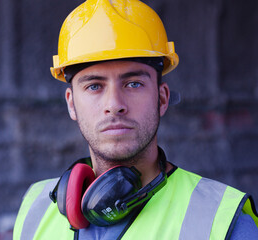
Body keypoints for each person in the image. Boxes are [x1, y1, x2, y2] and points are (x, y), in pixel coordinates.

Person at [13, 0, 258, 239]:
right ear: (71, 103)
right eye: (94, 86)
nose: (114, 105)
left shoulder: (224, 225)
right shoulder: (35, 211)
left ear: (162, 99)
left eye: (133, 84)